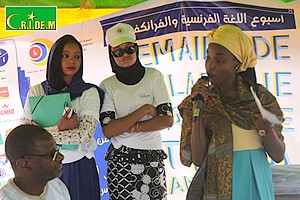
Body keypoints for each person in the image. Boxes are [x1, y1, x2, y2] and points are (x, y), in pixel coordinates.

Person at [178, 24, 285, 200]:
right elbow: (197, 159)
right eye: (208, 58)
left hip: (255, 181)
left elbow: (278, 155)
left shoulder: (259, 98)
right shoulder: (201, 102)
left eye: (219, 60)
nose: (210, 66)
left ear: (237, 62)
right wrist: (197, 109)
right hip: (219, 185)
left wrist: (267, 130)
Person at [20, 34, 104, 200]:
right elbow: (25, 135)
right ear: (55, 58)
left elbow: (84, 135)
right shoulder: (37, 91)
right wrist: (61, 129)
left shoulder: (88, 92)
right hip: (44, 171)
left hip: (79, 168)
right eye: (65, 55)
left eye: (76, 56)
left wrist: (43, 133)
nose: (71, 61)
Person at [99, 23, 174, 200]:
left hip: (152, 158)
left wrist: (129, 127)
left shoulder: (153, 76)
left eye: (129, 49)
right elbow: (109, 130)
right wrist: (145, 109)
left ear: (136, 49)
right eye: (118, 51)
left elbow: (166, 120)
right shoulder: (107, 85)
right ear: (111, 54)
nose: (125, 55)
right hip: (121, 161)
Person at [0, 124, 70, 200]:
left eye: (57, 151)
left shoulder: (56, 185)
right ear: (24, 164)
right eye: (51, 155)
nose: (61, 157)